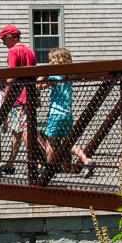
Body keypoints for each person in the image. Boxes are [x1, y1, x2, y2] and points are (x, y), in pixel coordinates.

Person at [38, 48, 95, 177]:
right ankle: (86, 160)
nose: (50, 63)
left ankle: (49, 168)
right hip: (67, 114)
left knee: (50, 142)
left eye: (51, 60)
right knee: (68, 143)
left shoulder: (54, 77)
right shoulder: (68, 77)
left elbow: (39, 86)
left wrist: (43, 73)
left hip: (55, 114)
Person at [0, 24, 36, 175]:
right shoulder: (30, 51)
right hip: (30, 95)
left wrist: (6, 94)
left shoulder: (13, 51)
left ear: (10, 37)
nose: (3, 43)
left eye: (3, 39)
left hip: (19, 97)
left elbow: (12, 75)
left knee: (24, 130)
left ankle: (36, 162)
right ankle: (11, 162)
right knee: (16, 130)